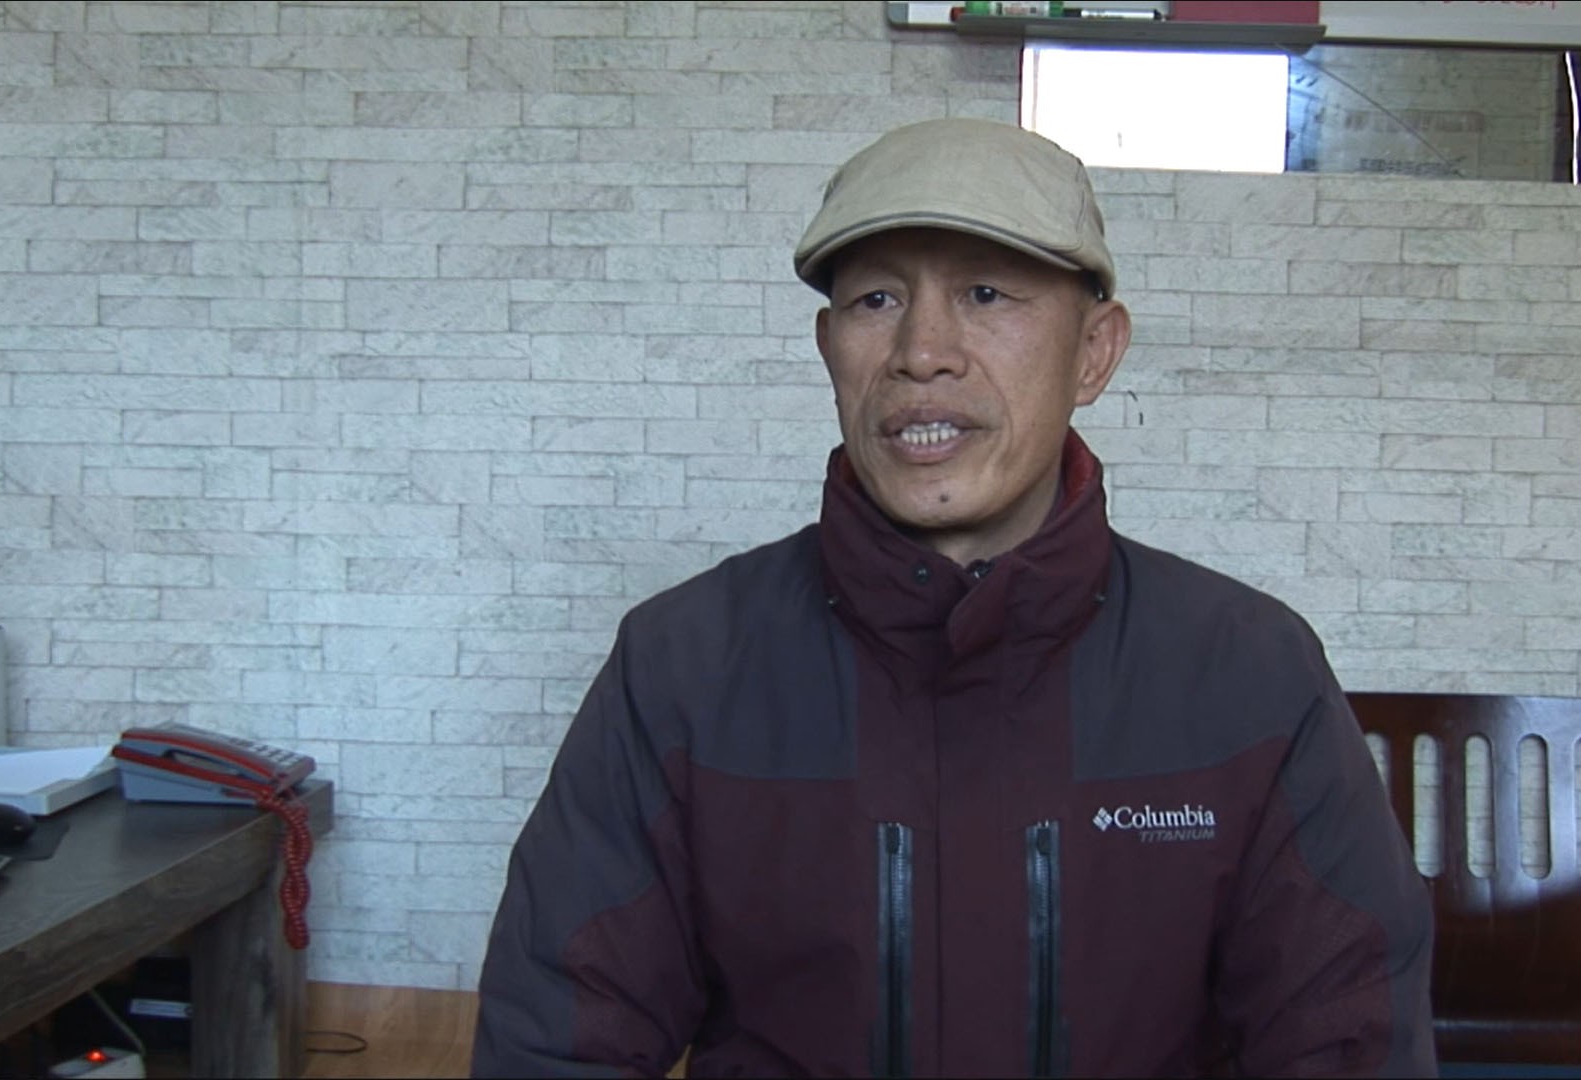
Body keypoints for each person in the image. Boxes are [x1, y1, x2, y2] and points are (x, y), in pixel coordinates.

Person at [472, 118, 1435, 1078]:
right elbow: (558, 1044)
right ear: (829, 348)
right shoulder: (682, 667)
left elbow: (1347, 1044)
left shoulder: (1250, 674)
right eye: (877, 299)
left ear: (1095, 352)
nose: (923, 352)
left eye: (985, 293)